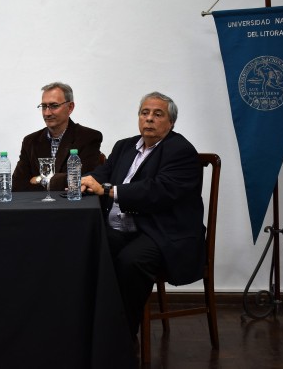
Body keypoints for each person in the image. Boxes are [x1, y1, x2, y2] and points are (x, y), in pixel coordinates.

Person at [80, 91, 205, 339]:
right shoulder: (124, 146)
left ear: (171, 122)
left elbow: (157, 191)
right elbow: (103, 173)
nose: (149, 119)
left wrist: (107, 190)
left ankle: (122, 337)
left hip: (163, 232)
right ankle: (90, 326)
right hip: (124, 228)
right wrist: (84, 181)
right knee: (87, 246)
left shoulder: (180, 150)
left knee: (130, 262)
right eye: (144, 113)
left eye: (158, 114)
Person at [12, 82, 103, 192]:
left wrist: (39, 178)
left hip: (71, 202)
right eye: (44, 106)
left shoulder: (88, 137)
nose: (47, 113)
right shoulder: (30, 141)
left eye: (54, 106)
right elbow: (18, 186)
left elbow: (84, 180)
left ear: (70, 107)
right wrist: (63, 179)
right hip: (37, 203)